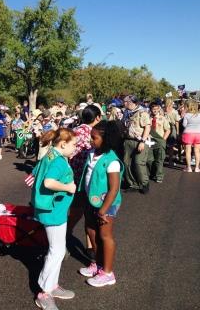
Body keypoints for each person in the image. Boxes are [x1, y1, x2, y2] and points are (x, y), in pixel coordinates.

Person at [31, 128, 77, 310]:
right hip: (53, 211)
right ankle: (44, 292)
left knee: (57, 249)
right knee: (56, 251)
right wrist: (68, 187)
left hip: (52, 209)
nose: (75, 148)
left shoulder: (50, 154)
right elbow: (48, 182)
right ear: (63, 144)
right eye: (73, 145)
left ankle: (52, 285)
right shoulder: (58, 161)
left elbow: (35, 172)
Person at [78, 120, 123, 288]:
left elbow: (114, 189)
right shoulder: (92, 153)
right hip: (91, 200)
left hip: (107, 204)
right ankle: (98, 263)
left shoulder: (111, 160)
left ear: (106, 139)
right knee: (90, 230)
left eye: (94, 138)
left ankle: (108, 273)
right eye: (90, 136)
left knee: (105, 235)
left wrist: (103, 210)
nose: (90, 140)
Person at [68, 105, 102, 259]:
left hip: (73, 175)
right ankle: (66, 235)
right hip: (86, 178)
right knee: (82, 211)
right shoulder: (95, 134)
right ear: (97, 118)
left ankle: (89, 245)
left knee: (82, 211)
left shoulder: (75, 130)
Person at [122, 95, 151, 194]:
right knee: (127, 163)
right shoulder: (126, 112)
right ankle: (133, 183)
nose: (124, 103)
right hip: (128, 140)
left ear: (133, 103)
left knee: (139, 163)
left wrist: (142, 142)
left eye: (127, 102)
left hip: (140, 141)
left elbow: (147, 127)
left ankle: (144, 183)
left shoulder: (142, 112)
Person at [147, 102, 170, 182]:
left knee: (159, 159)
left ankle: (159, 176)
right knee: (149, 160)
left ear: (159, 109)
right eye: (153, 109)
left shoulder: (163, 118)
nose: (155, 110)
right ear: (151, 109)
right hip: (149, 141)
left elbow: (167, 130)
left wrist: (163, 140)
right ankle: (152, 173)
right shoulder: (147, 118)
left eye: (157, 109)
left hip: (159, 140)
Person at [182, 99, 200, 172]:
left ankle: (188, 168)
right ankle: (197, 168)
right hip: (198, 134)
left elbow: (184, 125)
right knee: (197, 151)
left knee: (188, 151)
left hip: (188, 134)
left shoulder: (186, 115)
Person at [164, 98, 180, 166]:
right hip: (172, 128)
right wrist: (178, 132)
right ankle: (170, 161)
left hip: (163, 128)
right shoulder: (174, 111)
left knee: (163, 144)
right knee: (171, 146)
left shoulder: (163, 111)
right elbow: (177, 122)